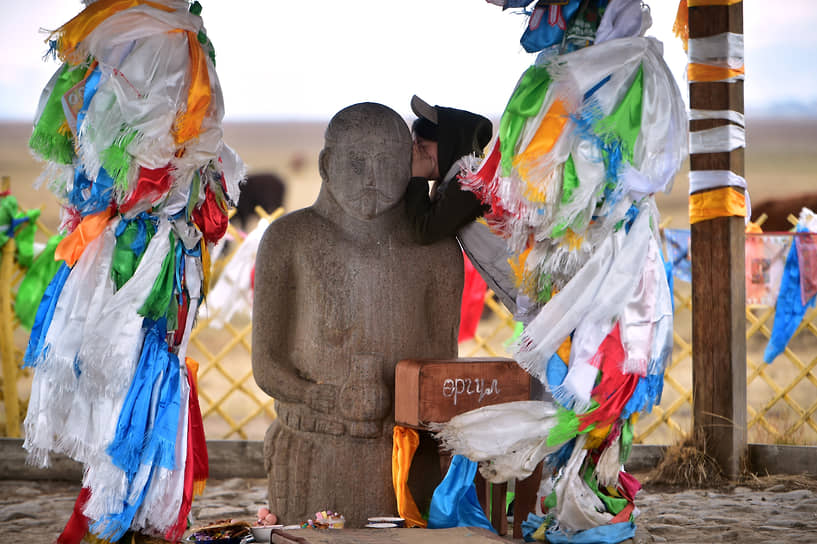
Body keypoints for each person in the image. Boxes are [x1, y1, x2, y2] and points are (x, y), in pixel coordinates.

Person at [252, 102, 464, 527]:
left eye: (387, 161)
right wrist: (313, 396)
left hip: (406, 457)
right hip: (312, 451)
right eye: (356, 161)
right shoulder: (288, 240)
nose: (371, 177)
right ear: (327, 164)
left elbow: (442, 366)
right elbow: (266, 364)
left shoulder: (439, 254)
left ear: (409, 165)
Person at [404, 95, 525, 321]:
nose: (417, 154)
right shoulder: (458, 182)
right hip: (532, 291)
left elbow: (425, 231)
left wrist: (417, 179)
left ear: (449, 143)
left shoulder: (472, 181)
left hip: (543, 292)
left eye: (423, 146)